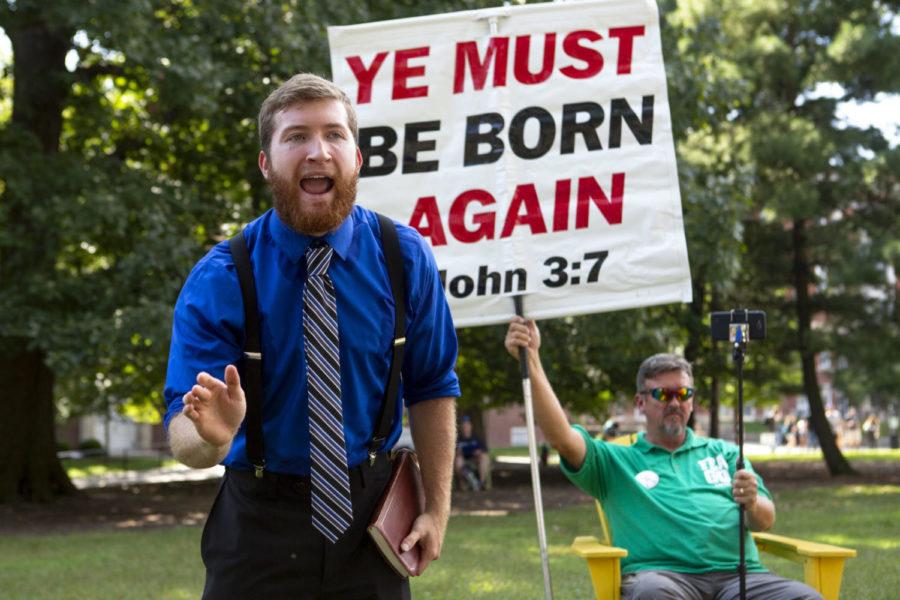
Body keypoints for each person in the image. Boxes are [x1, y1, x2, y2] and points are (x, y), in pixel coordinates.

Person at [164, 73, 459, 599]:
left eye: (334, 134)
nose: (318, 151)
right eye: (296, 136)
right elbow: (184, 435)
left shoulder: (405, 258)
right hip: (259, 524)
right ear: (266, 163)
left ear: (357, 157)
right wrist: (209, 435)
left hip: (372, 521)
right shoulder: (221, 277)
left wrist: (436, 509)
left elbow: (433, 386)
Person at [505, 317, 823, 600]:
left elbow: (764, 520)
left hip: (740, 578)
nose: (674, 402)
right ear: (640, 403)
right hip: (662, 579)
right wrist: (531, 360)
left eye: (682, 394)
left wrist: (752, 502)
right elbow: (561, 437)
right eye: (662, 394)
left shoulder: (725, 453)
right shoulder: (615, 461)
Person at [454, 416, 491, 490]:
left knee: (484, 457)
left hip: (475, 459)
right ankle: (464, 482)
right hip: (463, 461)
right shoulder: (458, 440)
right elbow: (454, 453)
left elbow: (485, 450)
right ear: (461, 427)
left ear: (471, 426)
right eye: (463, 425)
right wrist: (458, 452)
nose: (465, 427)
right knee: (458, 460)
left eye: (467, 425)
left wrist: (479, 452)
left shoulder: (477, 438)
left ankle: (481, 482)